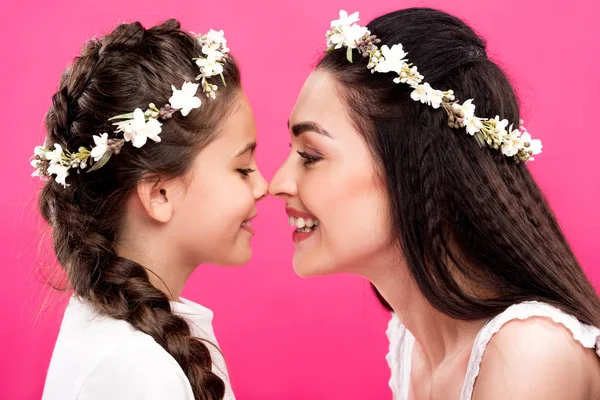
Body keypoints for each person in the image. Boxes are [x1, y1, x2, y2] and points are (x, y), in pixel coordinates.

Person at [269, 8, 600, 399]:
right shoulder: (412, 346)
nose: (277, 183)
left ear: (413, 166)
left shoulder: (529, 354)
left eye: (311, 155)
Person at [33, 19, 267, 400]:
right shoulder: (134, 372)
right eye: (242, 169)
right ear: (159, 193)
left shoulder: (139, 345)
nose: (263, 186)